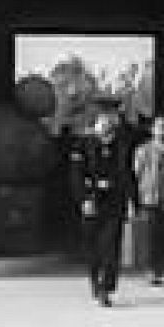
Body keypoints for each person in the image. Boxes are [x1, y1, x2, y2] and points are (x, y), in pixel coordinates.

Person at [69, 106, 135, 307]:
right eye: (102, 121)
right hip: (93, 200)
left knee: (111, 244)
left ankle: (106, 286)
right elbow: (76, 175)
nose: (106, 124)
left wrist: (132, 200)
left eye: (110, 120)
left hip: (115, 200)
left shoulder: (122, 145)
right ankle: (95, 280)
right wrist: (84, 199)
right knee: (93, 246)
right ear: (95, 124)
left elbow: (128, 175)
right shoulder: (83, 145)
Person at [132, 114, 164, 286]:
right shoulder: (143, 150)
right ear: (152, 130)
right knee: (151, 235)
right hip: (150, 197)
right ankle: (152, 269)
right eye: (158, 126)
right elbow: (136, 173)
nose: (162, 129)